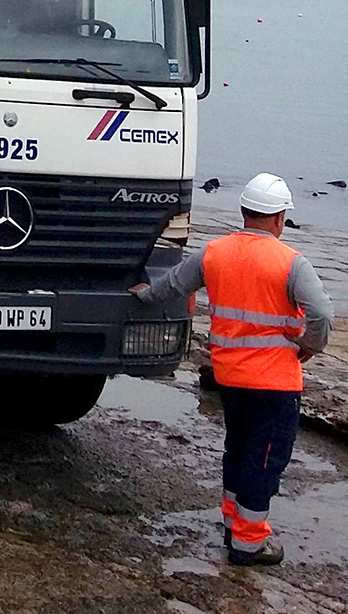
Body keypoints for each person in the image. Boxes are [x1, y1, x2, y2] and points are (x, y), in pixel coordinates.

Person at [133, 172, 334, 568]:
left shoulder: (214, 253)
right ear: (279, 218)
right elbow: (322, 314)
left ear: (244, 211)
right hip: (274, 383)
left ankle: (232, 524)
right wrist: (309, 346)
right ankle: (248, 542)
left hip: (229, 377)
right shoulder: (291, 263)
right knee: (265, 460)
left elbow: (171, 285)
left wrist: (143, 295)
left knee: (238, 450)